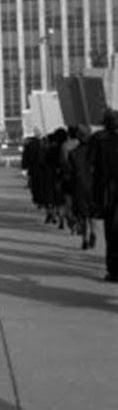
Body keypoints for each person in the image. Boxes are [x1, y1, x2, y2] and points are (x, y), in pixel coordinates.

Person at [91, 110, 118, 282]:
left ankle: (114, 270)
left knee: (112, 232)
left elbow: (92, 166)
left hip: (110, 191)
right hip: (110, 188)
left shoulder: (99, 140)